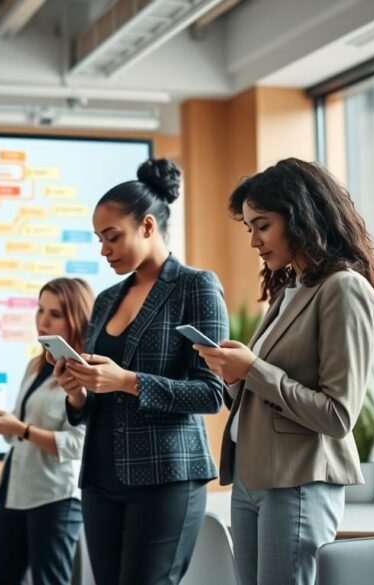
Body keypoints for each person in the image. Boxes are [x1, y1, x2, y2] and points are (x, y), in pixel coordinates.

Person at [194, 157, 374, 585]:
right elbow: (266, 387)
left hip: (298, 478)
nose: (254, 242)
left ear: (300, 217)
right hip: (250, 476)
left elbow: (337, 415)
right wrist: (234, 376)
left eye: (262, 225)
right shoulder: (290, 289)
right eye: (249, 229)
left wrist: (254, 369)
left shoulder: (344, 288)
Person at [54, 158, 229, 585]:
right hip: (100, 476)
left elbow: (212, 393)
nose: (104, 250)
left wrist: (127, 381)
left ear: (147, 226)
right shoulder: (106, 299)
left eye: (112, 237)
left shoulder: (196, 286)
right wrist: (76, 390)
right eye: (99, 239)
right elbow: (93, 400)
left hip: (166, 475)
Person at [0, 277, 93, 585]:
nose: (42, 321)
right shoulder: (35, 366)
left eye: (54, 314)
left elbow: (78, 445)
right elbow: (18, 428)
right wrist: (4, 424)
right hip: (14, 491)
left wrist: (22, 429)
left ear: (76, 318)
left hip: (55, 498)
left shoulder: (87, 373)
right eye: (40, 310)